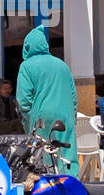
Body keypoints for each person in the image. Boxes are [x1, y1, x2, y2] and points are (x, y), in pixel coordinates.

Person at [16, 27, 78, 174]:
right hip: (65, 115)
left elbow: (24, 100)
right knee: (67, 154)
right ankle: (70, 188)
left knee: (42, 155)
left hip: (41, 118)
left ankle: (48, 189)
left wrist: (28, 119)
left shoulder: (27, 66)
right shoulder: (62, 64)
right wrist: (72, 115)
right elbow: (73, 95)